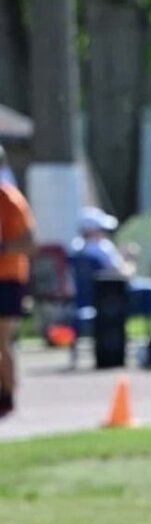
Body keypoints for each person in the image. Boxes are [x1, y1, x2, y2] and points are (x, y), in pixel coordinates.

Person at [0, 154, 36, 419]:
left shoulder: (10, 200)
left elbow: (31, 243)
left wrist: (4, 248)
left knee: (2, 340)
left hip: (7, 278)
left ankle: (7, 393)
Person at [70, 206, 133, 277]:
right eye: (101, 229)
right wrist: (130, 259)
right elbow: (120, 274)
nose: (104, 233)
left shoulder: (75, 247)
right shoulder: (104, 248)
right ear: (92, 231)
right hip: (109, 287)